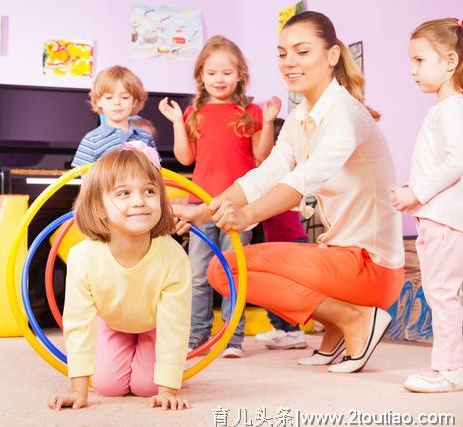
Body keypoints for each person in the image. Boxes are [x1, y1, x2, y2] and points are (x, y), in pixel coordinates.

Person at [173, 11, 404, 374]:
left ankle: (355, 318)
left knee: (224, 270)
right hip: (341, 258)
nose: (289, 62)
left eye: (302, 52)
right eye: (282, 53)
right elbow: (266, 173)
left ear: (331, 56)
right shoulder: (301, 117)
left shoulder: (345, 114)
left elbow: (304, 179)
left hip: (370, 267)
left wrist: (247, 215)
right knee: (224, 269)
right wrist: (203, 211)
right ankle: (336, 329)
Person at [158, 35, 278, 358]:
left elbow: (261, 155)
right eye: (211, 73)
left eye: (226, 72)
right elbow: (185, 158)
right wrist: (176, 123)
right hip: (199, 204)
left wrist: (267, 123)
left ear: (240, 75)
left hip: (238, 206)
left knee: (233, 270)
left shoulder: (249, 110)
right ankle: (197, 336)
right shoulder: (194, 112)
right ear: (201, 76)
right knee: (197, 273)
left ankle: (232, 338)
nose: (219, 79)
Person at [48, 149, 192, 410]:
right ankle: (125, 348)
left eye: (149, 191)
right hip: (113, 321)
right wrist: (78, 391)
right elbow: (78, 322)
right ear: (100, 209)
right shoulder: (83, 256)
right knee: (107, 386)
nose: (140, 201)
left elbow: (175, 324)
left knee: (147, 387)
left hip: (154, 324)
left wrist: (168, 389)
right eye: (124, 193)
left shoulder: (173, 256)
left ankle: (150, 357)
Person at [391, 18, 463, 393]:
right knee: (446, 293)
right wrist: (413, 189)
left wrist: (415, 193)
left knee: (441, 293)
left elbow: (457, 161)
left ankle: (450, 369)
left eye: (420, 60)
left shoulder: (450, 108)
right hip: (441, 218)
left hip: (442, 221)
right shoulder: (447, 108)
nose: (413, 70)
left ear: (450, 61)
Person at [256, 118, 309, 351]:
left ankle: (294, 332)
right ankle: (280, 329)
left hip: (290, 240)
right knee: (270, 288)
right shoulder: (273, 172)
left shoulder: (284, 173)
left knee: (284, 289)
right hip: (278, 239)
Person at [71, 65, 157, 167]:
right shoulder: (91, 140)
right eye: (109, 97)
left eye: (125, 97)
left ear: (134, 102)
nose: (117, 102)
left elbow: (155, 173)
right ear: (99, 101)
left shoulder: (145, 137)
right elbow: (86, 180)